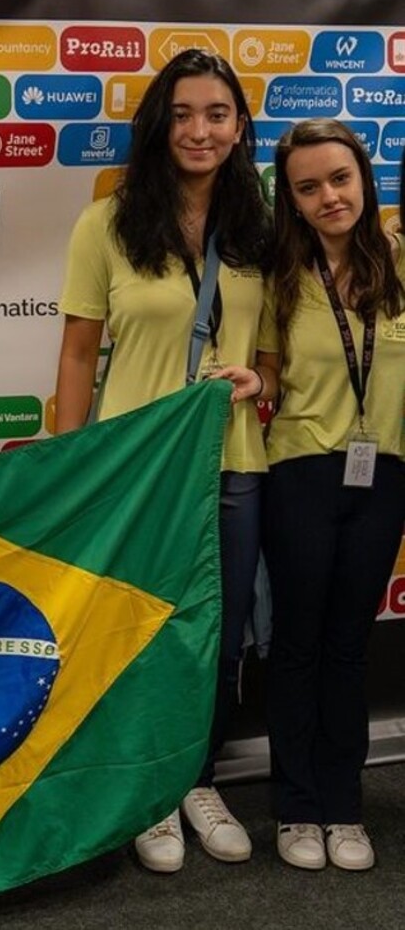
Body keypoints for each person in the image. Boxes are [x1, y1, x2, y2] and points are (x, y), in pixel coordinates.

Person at [54, 49, 273, 872]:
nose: (198, 130)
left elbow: (276, 354)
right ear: (158, 125)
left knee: (218, 635)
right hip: (135, 467)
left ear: (239, 126)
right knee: (135, 627)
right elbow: (78, 354)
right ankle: (145, 791)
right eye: (181, 114)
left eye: (216, 114)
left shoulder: (258, 227)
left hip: (231, 462)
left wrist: (259, 380)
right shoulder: (107, 224)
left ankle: (197, 779)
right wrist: (72, 467)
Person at [256, 119, 405, 872]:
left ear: (365, 180)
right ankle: (296, 806)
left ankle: (343, 806)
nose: (329, 198)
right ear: (290, 198)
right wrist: (253, 381)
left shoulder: (399, 261)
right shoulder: (279, 274)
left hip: (386, 475)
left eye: (341, 180)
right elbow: (271, 372)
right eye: (308, 187)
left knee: (349, 645)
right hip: (301, 471)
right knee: (298, 643)